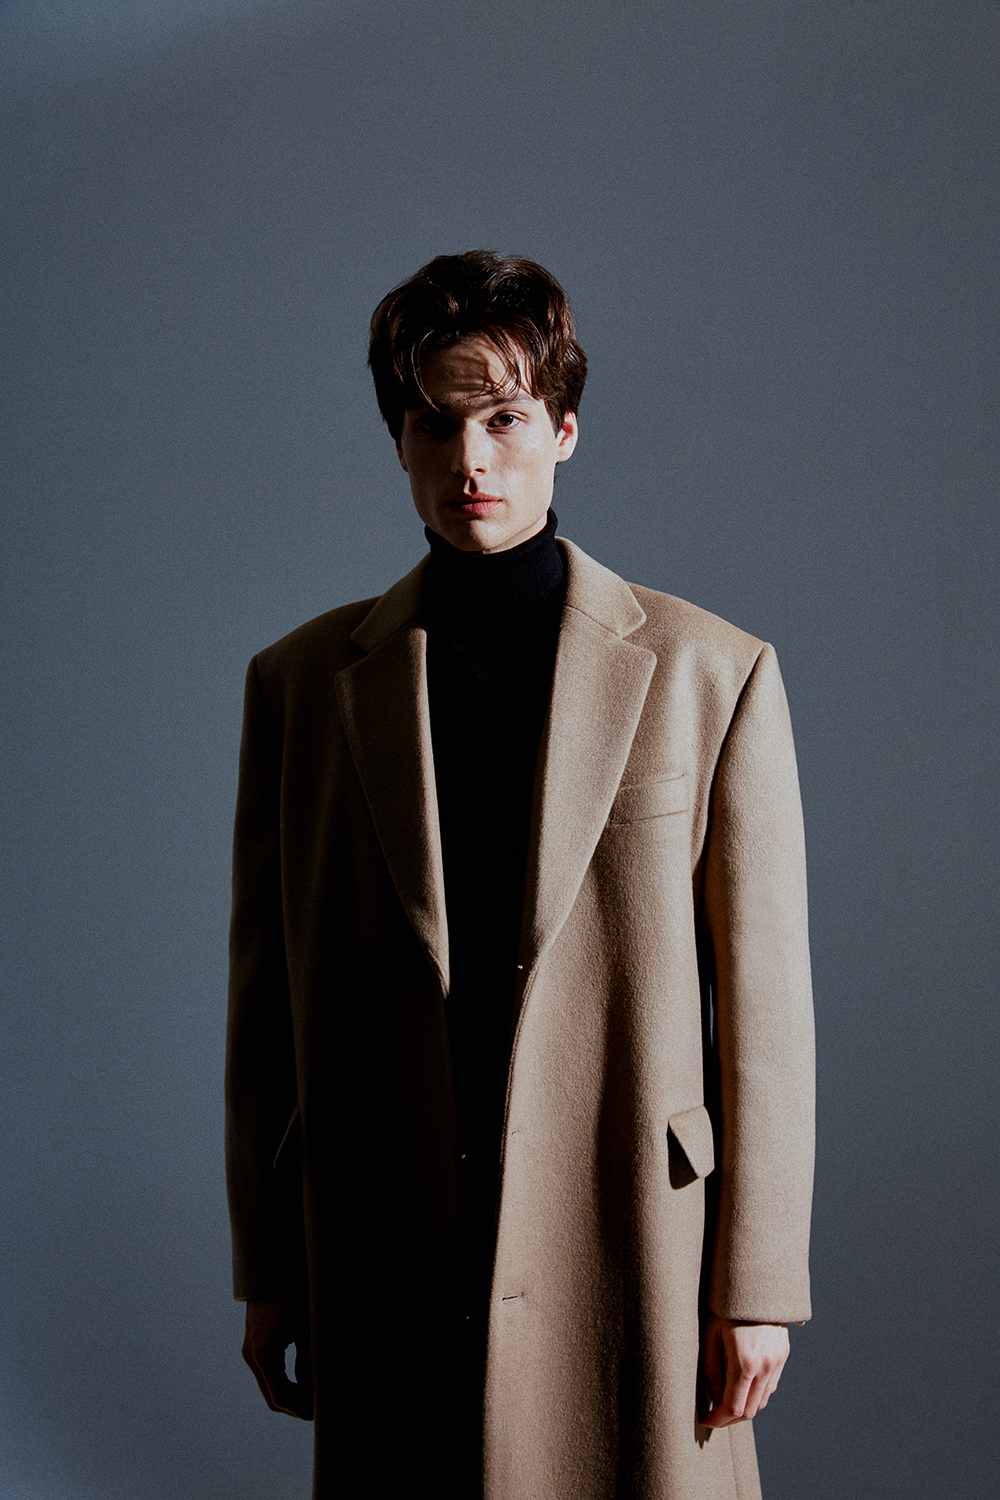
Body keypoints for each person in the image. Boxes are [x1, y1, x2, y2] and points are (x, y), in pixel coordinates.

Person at [225, 251, 815, 1500]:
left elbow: (765, 1014)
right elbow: (266, 1001)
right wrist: (269, 1264)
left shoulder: (711, 672)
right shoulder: (303, 685)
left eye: (501, 420)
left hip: (632, 1224)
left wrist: (758, 1282)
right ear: (398, 443)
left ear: (563, 429)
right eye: (433, 425)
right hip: (392, 1222)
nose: (469, 461)